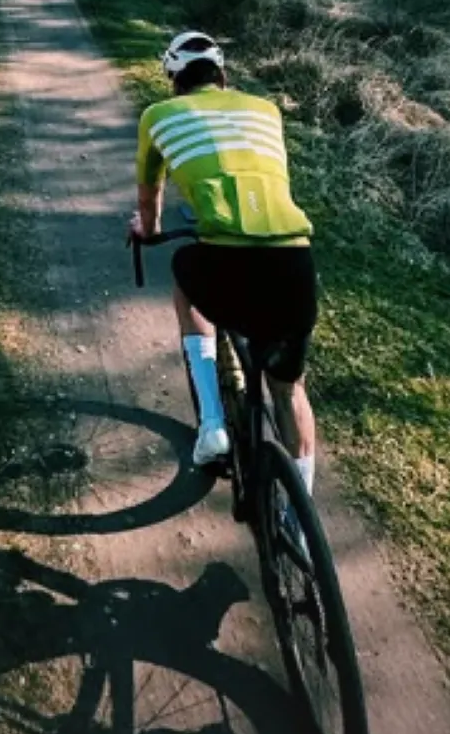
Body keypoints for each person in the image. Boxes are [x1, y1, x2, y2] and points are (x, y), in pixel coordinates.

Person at [129, 29, 317, 490]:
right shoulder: (266, 111)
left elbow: (150, 197)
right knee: (288, 388)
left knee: (186, 278)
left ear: (172, 79)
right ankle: (300, 515)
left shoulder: (158, 116)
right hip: (293, 259)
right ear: (224, 75)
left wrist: (147, 231)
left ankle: (212, 423)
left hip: (224, 262)